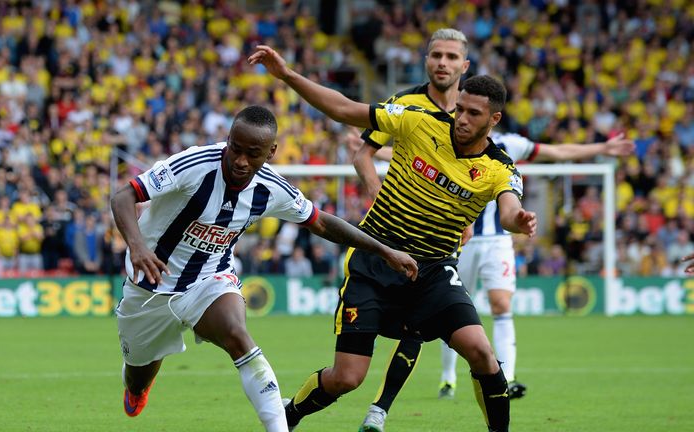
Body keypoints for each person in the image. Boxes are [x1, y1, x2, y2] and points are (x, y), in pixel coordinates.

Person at [349, 28, 635, 432]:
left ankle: (505, 376)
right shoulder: (414, 113)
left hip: (482, 242)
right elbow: (375, 149)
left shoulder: (505, 148)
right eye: (437, 55)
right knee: (427, 324)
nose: (464, 118)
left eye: (452, 58)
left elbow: (553, 153)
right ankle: (418, 391)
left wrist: (601, 149)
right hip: (422, 241)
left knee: (494, 308)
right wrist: (380, 190)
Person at [249, 46, 537, 432]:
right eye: (460, 109)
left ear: (494, 119)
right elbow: (344, 108)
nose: (462, 119)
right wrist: (287, 75)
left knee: (482, 353)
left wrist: (517, 220)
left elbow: (508, 210)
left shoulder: (500, 167)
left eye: (474, 113)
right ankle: (289, 416)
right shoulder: (417, 120)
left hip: (432, 272)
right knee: (347, 378)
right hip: (376, 259)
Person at [111, 105, 418, 432]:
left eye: (253, 154)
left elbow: (322, 223)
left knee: (238, 335)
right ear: (228, 139)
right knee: (138, 374)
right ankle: (141, 381)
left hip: (210, 279)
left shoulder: (272, 188)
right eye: (236, 149)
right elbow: (123, 196)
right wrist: (138, 246)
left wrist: (383, 250)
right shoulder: (194, 165)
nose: (241, 160)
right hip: (151, 283)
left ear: (271, 152)